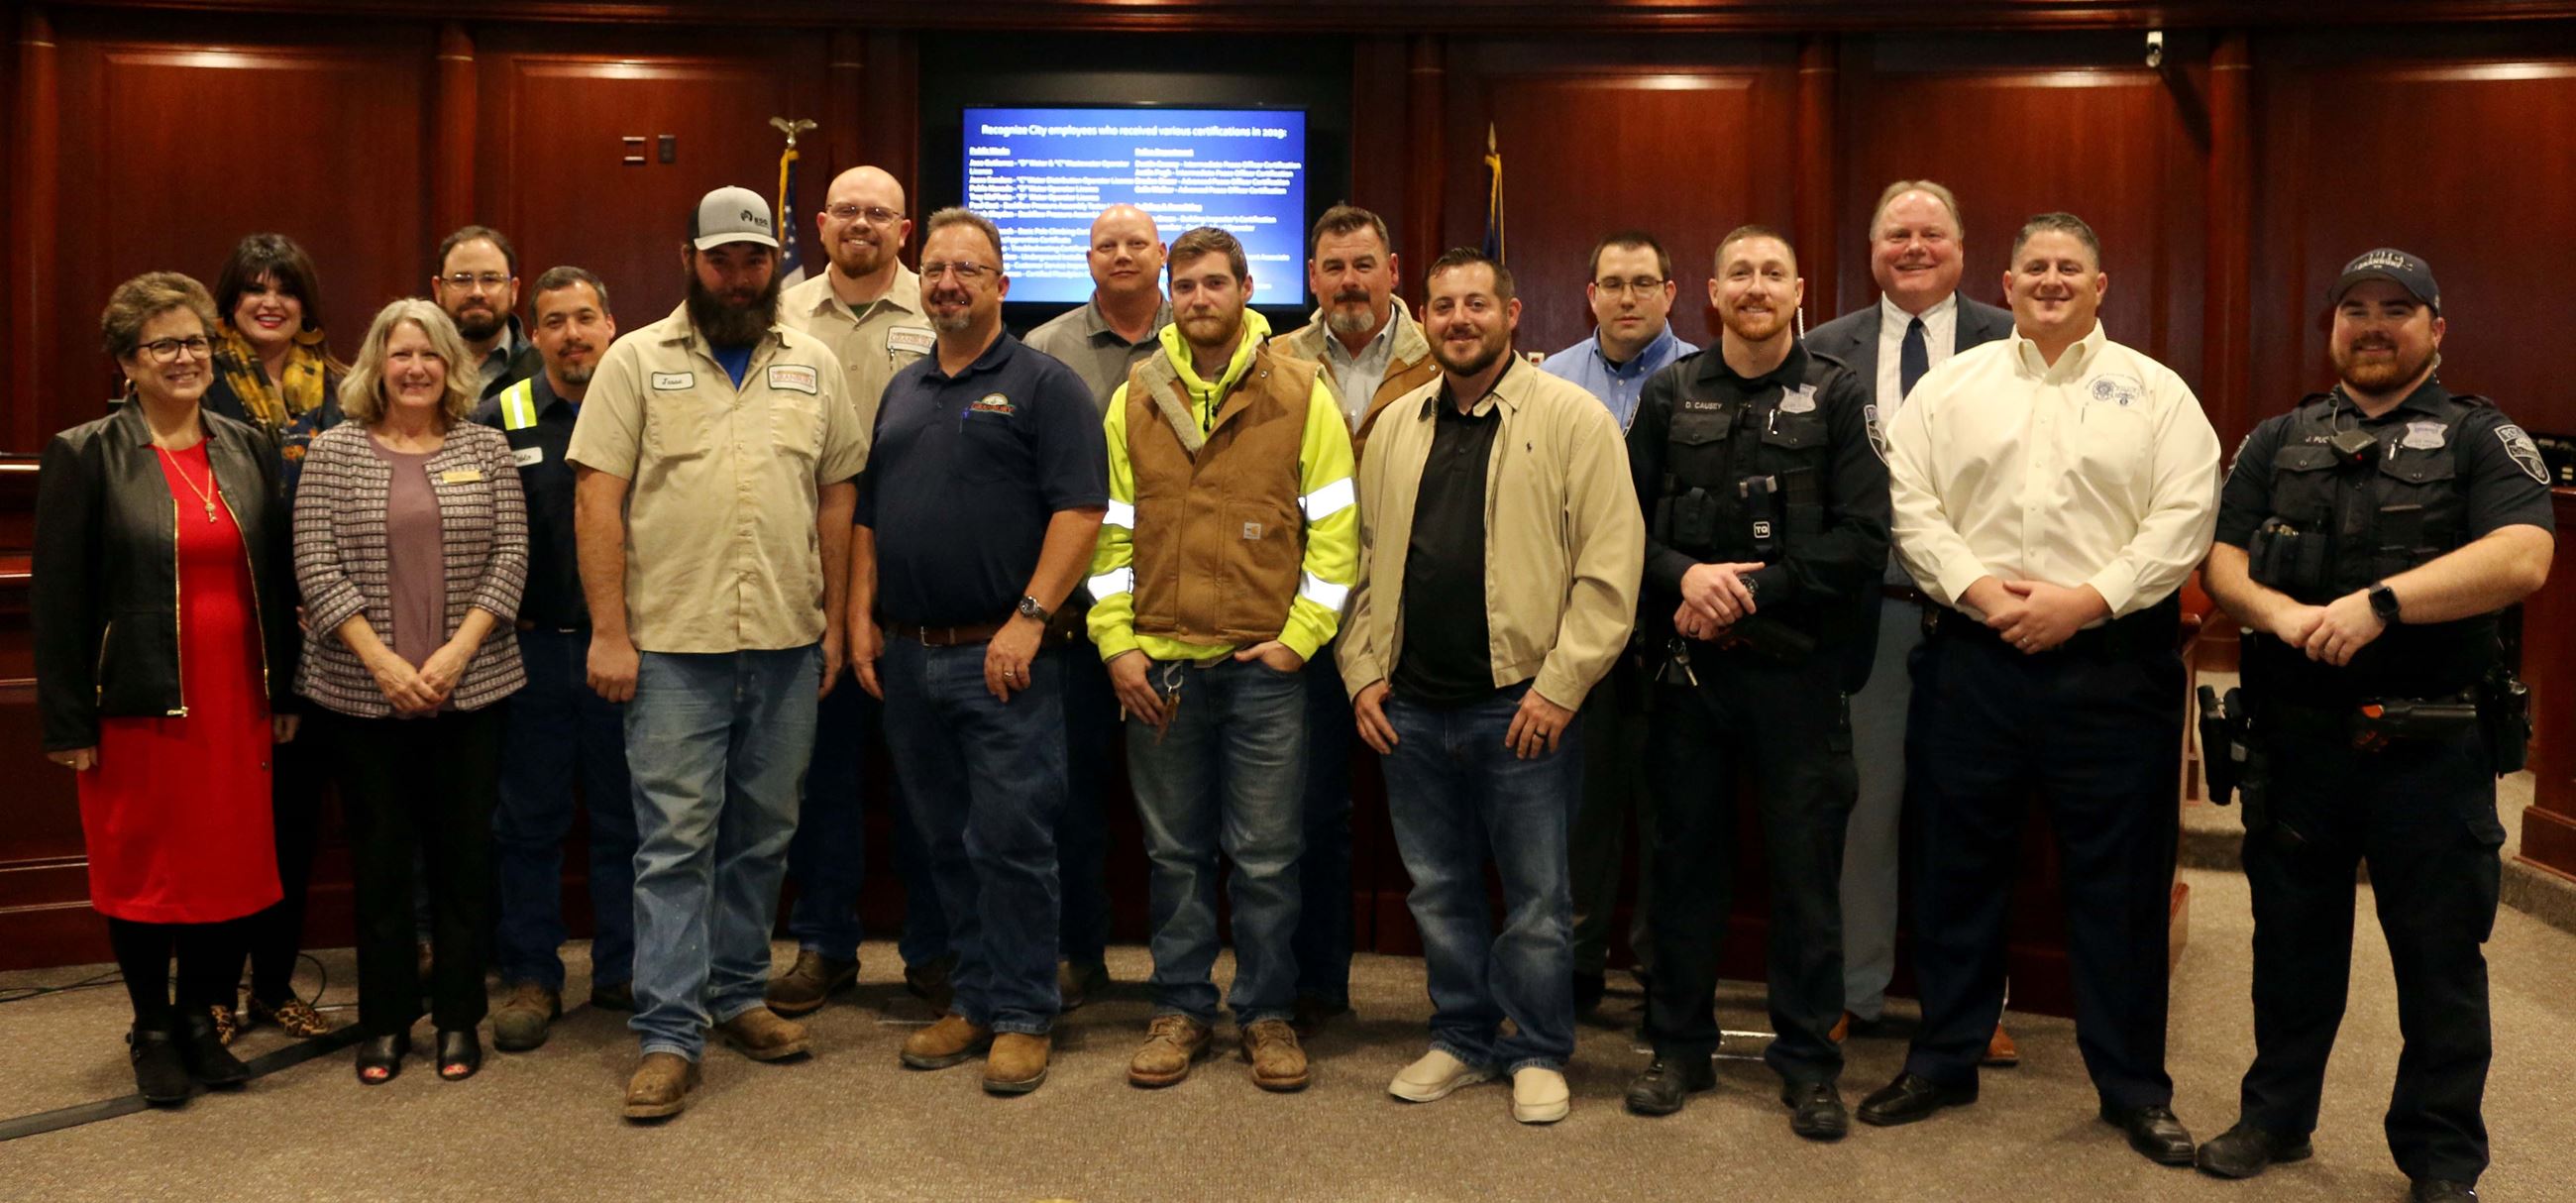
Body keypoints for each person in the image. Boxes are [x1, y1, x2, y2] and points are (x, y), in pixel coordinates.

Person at [1859, 213, 2219, 1168]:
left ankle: (2134, 1086)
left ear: (2102, 288)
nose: (2052, 281)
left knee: (2120, 884)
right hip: (1973, 659)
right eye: (2036, 269)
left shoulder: (2158, 393)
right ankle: (1945, 1057)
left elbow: (2185, 516)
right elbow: (1911, 502)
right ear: (2006, 285)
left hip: (2109, 666)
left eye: (2072, 268)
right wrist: (1981, 592)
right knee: (1955, 872)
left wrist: (2086, 601)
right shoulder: (1951, 387)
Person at [2197, 250, 2553, 1203]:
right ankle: (2276, 1118)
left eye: (2399, 309)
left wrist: (2381, 604)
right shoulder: (2278, 438)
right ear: (2332, 329)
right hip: (2298, 738)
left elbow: (2523, 557)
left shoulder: (2485, 436)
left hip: (2431, 743)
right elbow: (2224, 559)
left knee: (2439, 958)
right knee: (2290, 943)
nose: (2373, 325)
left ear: (2438, 329)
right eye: (2355, 308)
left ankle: (2441, 1159)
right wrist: (2269, 614)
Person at [568, 185, 866, 1120]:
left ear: (776, 261)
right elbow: (597, 502)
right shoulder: (633, 360)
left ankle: (738, 994)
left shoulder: (814, 364)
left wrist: (828, 621)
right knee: (672, 846)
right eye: (720, 260)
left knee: (763, 837)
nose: (738, 277)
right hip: (670, 652)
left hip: (784, 645)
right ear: (689, 260)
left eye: (753, 261)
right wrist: (611, 632)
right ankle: (666, 1031)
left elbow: (837, 499)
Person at [1342, 248, 1643, 1125]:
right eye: (1443, 306)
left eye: (1477, 304)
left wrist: (1560, 687)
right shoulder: (1398, 425)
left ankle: (1539, 1046)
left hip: (1525, 704)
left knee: (1541, 896)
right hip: (1411, 707)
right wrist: (1361, 672)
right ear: (1424, 318)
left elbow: (1609, 570)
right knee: (1437, 888)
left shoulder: (1573, 419)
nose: (1459, 319)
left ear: (1514, 316)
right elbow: (1357, 566)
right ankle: (1464, 1037)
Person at [1622, 227, 1887, 1140]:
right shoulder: (1669, 391)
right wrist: (1684, 579)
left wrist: (1742, 589)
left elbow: (1862, 538)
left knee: (1806, 880)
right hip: (1689, 678)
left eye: (1773, 272)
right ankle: (1678, 1048)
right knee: (1682, 868)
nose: (1756, 286)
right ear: (1711, 290)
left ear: (1799, 288)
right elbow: (1623, 525)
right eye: (1740, 272)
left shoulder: (1839, 396)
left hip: (1798, 678)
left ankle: (1809, 1064)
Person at [1086, 226, 1355, 1090]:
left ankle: (1268, 1014)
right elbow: (1107, 535)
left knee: (1270, 854)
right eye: (1187, 286)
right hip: (1159, 669)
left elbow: (1336, 536)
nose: (1200, 299)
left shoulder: (1302, 392)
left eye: (1216, 284)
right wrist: (1117, 644)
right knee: (1174, 856)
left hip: (1262, 672)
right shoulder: (1133, 397)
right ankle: (1179, 1009)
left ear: (1247, 289)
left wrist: (1300, 640)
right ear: (1174, 295)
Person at [853, 207, 1107, 1096]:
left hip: (1006, 660)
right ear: (918, 283)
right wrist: (860, 622)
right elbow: (871, 518)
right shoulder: (904, 389)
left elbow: (1082, 511)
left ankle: (1026, 1012)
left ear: (1000, 285)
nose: (948, 283)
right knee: (941, 841)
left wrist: (1030, 617)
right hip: (911, 656)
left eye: (967, 270)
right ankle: (973, 996)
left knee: (1013, 840)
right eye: (935, 270)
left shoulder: (1045, 384)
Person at [34, 272, 299, 1104]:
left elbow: (276, 576)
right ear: (126, 362)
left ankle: (200, 1018)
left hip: (237, 701)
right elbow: (60, 599)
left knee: (227, 866)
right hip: (139, 703)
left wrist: (283, 692)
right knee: (148, 870)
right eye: (163, 345)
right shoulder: (87, 454)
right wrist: (68, 718)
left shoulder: (245, 445)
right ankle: (152, 1027)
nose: (185, 359)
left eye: (195, 343)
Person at [1803, 179, 2019, 1060]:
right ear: (1872, 250)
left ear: (1965, 250)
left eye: (1933, 233)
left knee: (1975, 818)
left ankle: (1973, 1007)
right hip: (1877, 615)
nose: (1915, 248)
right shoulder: (1824, 349)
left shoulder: (2014, 342)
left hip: (1986, 615)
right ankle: (1858, 989)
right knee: (1868, 814)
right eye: (1898, 234)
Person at [292, 298, 528, 1086]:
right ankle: (386, 1021)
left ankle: (460, 1016)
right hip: (362, 696)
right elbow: (316, 566)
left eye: (430, 354)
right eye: (401, 354)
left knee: (464, 863)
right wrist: (385, 664)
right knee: (383, 867)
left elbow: (510, 562)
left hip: (471, 689)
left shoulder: (486, 448)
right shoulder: (333, 453)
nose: (417, 367)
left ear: (450, 366)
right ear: (377, 365)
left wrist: (456, 657)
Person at [769, 164, 955, 1019]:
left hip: (919, 574)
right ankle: (825, 944)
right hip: (808, 573)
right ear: (820, 221)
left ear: (904, 229)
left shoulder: (942, 305)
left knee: (927, 784)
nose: (861, 225)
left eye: (879, 214)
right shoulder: (780, 313)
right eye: (846, 211)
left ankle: (933, 949)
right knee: (825, 778)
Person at [1270, 203, 1439, 1030]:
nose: (1349, 282)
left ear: (1394, 270)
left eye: (1364, 264)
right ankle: (1316, 987)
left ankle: (1460, 1002)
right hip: (1310, 615)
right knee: (1309, 814)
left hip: (1417, 613)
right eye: (1333, 268)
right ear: (1312, 279)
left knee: (1439, 818)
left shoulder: (1441, 353)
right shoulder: (1275, 361)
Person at [1539, 230, 1698, 1013]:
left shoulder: (1705, 377)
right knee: (1581, 815)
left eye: (1644, 282)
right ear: (1590, 294)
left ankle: (1663, 973)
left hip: (1681, 631)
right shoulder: (1548, 381)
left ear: (1672, 292)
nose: (1627, 297)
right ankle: (1574, 967)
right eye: (1613, 283)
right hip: (1576, 630)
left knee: (1673, 816)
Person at [479, 268, 638, 1050]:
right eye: (554, 322)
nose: (572, 334)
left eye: (585, 317)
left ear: (611, 325)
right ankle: (532, 977)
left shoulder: (646, 404)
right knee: (528, 825)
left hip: (630, 650)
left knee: (628, 821)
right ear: (532, 333)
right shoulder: (498, 416)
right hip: (529, 651)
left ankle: (624, 970)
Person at [201, 232, 347, 1042]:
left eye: (284, 288)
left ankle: (275, 986)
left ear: (305, 303)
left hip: (321, 636)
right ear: (228, 303)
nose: (270, 302)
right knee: (225, 828)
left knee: (290, 828)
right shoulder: (199, 380)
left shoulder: (341, 386)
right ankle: (213, 991)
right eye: (253, 288)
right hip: (228, 636)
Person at [432, 225, 542, 398]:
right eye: (462, 280)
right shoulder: (418, 372)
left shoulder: (542, 372)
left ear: (513, 290)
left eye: (490, 279)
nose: (477, 292)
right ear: (438, 290)